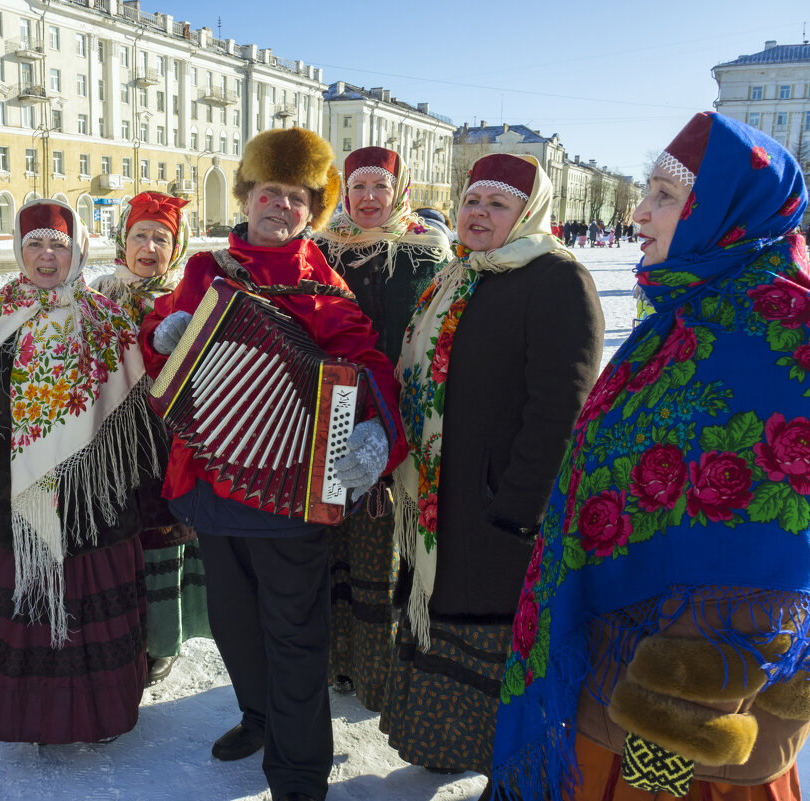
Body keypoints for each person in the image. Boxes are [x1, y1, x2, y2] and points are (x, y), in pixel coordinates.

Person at [493, 112, 810, 801]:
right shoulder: (686, 308)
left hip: (700, 691)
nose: (639, 212)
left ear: (727, 208)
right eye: (647, 191)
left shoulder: (788, 325)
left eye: (667, 196)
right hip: (618, 652)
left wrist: (691, 674)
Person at [140, 127, 408, 801]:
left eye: (296, 197)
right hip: (211, 481)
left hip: (291, 495)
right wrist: (164, 336)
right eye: (269, 193)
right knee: (234, 624)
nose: (280, 207)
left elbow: (371, 368)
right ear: (247, 196)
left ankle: (298, 774)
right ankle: (257, 716)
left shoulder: (325, 288)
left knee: (295, 637)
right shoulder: (207, 271)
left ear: (310, 211)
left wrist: (377, 437)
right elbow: (161, 358)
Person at [383, 153, 604, 791]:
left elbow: (563, 405)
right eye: (473, 201)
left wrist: (517, 505)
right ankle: (447, 744)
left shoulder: (556, 280)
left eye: (498, 205)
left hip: (498, 509)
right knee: (445, 616)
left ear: (528, 213)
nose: (479, 214)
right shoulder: (458, 273)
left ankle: (508, 768)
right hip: (441, 498)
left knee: (498, 640)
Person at [0, 198, 161, 744]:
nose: (45, 256)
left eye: (57, 245)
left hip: (98, 507)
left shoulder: (106, 319)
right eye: (34, 244)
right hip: (20, 504)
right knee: (33, 615)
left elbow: (139, 419)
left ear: (77, 250)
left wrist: (155, 503)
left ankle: (101, 718)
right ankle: (36, 719)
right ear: (18, 250)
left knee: (92, 614)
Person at [313, 146, 451, 710]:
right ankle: (335, 660)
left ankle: (380, 667)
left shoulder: (428, 253)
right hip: (329, 409)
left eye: (381, 187)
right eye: (359, 187)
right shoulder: (320, 248)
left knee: (383, 544)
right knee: (331, 538)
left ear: (401, 190)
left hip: (401, 413)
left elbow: (437, 337)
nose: (369, 199)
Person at [91, 191, 211, 686]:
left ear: (176, 245)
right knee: (118, 535)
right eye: (140, 234)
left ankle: (161, 639)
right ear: (123, 239)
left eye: (161, 237)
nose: (148, 246)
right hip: (109, 441)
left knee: (165, 532)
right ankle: (121, 633)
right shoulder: (97, 294)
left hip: (169, 441)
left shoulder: (191, 299)